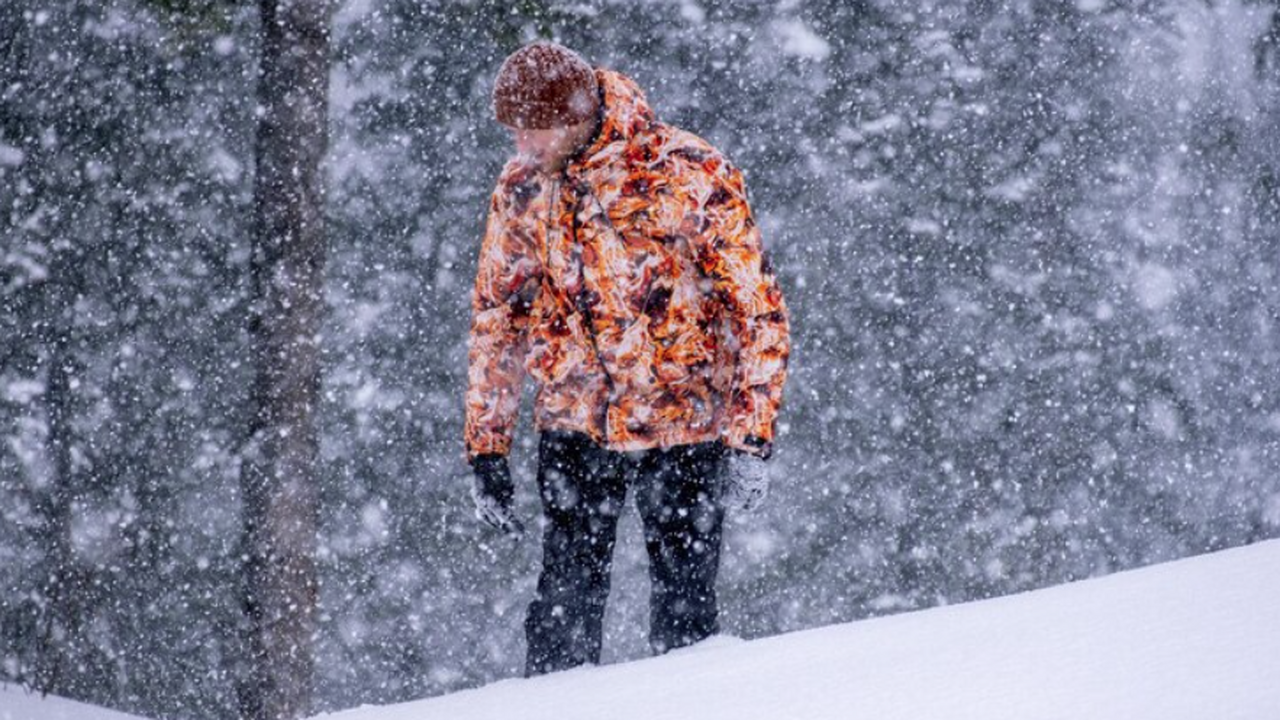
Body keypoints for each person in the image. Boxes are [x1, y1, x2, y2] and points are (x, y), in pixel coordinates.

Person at [463, 39, 791, 677]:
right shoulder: (522, 189)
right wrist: (487, 446)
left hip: (685, 423)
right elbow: (499, 316)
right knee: (561, 614)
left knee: (686, 620)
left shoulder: (688, 171)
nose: (521, 146)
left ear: (574, 118)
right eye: (513, 132)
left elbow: (758, 311)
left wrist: (750, 439)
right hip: (574, 422)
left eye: (531, 131)